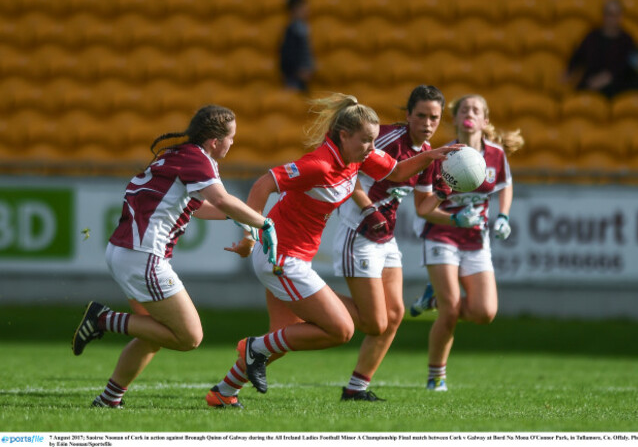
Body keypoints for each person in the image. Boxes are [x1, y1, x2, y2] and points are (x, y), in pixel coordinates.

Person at [205, 93, 460, 408]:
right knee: (340, 330)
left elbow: (397, 172)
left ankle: (223, 392)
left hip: (296, 259)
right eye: (366, 140)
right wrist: (248, 232)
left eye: (373, 140)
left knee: (285, 337)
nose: (372, 146)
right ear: (344, 135)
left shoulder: (359, 156)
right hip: (280, 259)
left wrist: (434, 155)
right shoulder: (319, 164)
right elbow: (262, 184)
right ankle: (253, 347)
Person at [71, 105, 278, 408]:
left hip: (127, 252)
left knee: (155, 333)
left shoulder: (181, 155)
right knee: (189, 337)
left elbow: (200, 207)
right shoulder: (198, 160)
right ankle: (103, 319)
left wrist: (243, 221)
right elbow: (221, 199)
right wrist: (264, 223)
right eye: (231, 137)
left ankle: (109, 398)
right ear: (214, 140)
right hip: (142, 257)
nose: (233, 143)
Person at [332, 85, 451, 401]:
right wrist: (368, 208)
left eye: (434, 117)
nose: (427, 123)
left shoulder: (427, 152)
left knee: (394, 314)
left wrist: (445, 192)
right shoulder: (384, 139)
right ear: (408, 114)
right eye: (421, 115)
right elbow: (348, 175)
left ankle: (356, 388)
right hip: (358, 233)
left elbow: (424, 206)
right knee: (375, 321)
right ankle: (307, 297)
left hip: (385, 239)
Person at [409, 94, 524, 392]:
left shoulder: (496, 154)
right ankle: (436, 376)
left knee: (484, 313)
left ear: (485, 121)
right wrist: (454, 220)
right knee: (450, 312)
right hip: (442, 235)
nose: (469, 113)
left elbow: (505, 185)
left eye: (476, 110)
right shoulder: (440, 156)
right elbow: (423, 207)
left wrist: (504, 216)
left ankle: (433, 298)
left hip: (476, 239)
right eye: (464, 109)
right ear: (456, 118)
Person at [565, 0, 637, 98]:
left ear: (621, 16)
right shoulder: (592, 37)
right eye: (609, 14)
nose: (613, 18)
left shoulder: (627, 41)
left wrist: (609, 77)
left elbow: (629, 68)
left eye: (616, 14)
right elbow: (578, 56)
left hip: (616, 90)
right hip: (590, 85)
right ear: (603, 15)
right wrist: (569, 71)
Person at [279, 0, 315, 92]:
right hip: (295, 77)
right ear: (295, 9)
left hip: (302, 76)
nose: (307, 11)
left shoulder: (302, 28)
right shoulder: (292, 30)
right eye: (303, 8)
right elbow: (288, 54)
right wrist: (298, 71)